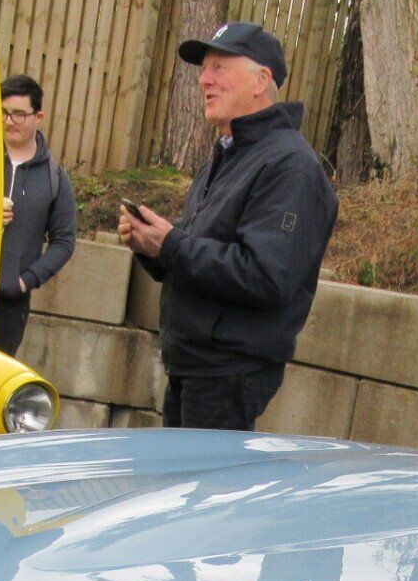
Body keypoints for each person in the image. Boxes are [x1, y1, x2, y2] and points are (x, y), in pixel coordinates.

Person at [119, 22, 337, 431]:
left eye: (219, 67)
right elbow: (196, 255)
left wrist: (171, 244)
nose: (204, 79)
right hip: (194, 367)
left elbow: (264, 275)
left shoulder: (290, 168)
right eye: (204, 69)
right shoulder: (227, 156)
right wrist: (151, 245)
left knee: (205, 494)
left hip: (226, 374)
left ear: (262, 80)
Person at [0, 74, 77, 357]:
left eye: (18, 114)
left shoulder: (55, 178)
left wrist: (25, 281)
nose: (8, 121)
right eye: (3, 112)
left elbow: (64, 241)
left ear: (38, 116)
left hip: (9, 307)